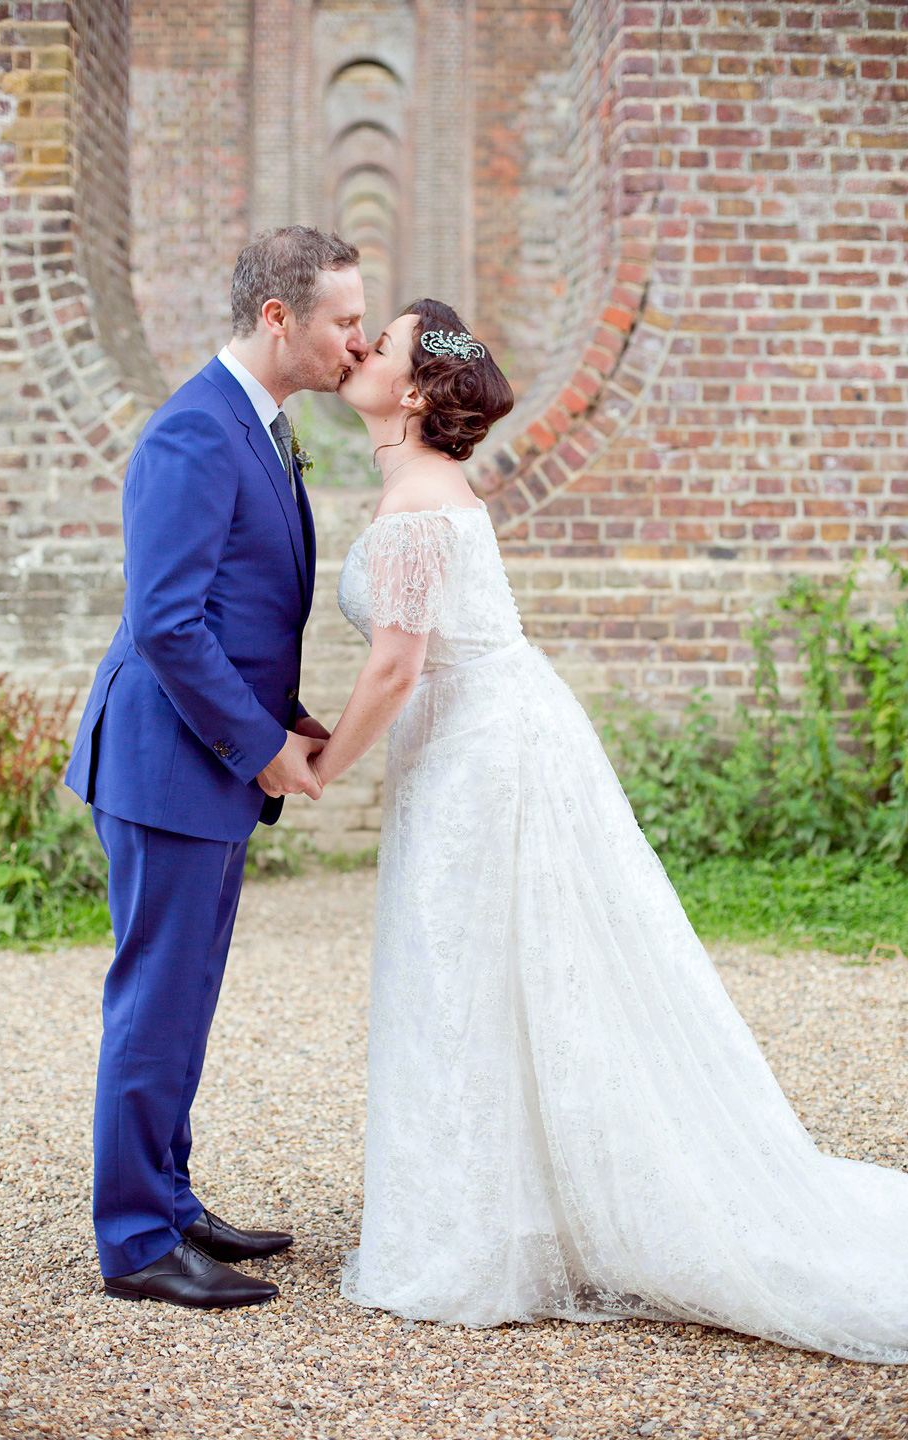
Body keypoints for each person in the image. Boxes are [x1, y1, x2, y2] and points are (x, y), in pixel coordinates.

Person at [312, 297, 908, 1362]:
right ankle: (505, 1212)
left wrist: (318, 769)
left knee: (468, 977)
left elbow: (398, 667)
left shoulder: (416, 504)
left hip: (479, 757)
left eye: (380, 342)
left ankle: (476, 1238)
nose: (357, 349)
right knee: (488, 979)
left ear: (412, 390)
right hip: (488, 736)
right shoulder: (420, 487)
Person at [65, 227, 367, 1309]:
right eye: (342, 318)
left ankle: (172, 1198)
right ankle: (138, 1240)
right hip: (166, 763)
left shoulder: (263, 426)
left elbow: (243, 614)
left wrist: (288, 715)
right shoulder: (195, 431)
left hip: (211, 763)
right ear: (278, 317)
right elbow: (169, 625)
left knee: (185, 994)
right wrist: (261, 746)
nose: (358, 338)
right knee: (155, 999)